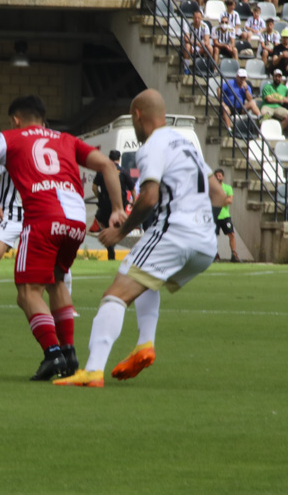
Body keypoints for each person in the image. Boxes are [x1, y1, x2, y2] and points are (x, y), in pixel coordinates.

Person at [0, 95, 126, 381]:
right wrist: (117, 209)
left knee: (27, 292)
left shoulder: (10, 137)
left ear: (16, 119)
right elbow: (108, 167)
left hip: (43, 218)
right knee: (56, 280)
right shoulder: (66, 139)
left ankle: (52, 354)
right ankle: (69, 353)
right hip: (75, 220)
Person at [53, 89, 226, 388]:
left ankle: (93, 370)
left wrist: (120, 231)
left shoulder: (151, 146)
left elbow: (148, 197)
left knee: (114, 296)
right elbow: (220, 195)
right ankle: (144, 343)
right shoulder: (187, 145)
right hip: (206, 244)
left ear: (137, 115)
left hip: (174, 234)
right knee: (147, 280)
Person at [91, 150, 134, 262]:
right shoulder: (123, 171)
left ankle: (110, 246)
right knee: (115, 225)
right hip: (119, 204)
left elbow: (94, 188)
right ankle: (112, 242)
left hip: (105, 203)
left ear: (109, 158)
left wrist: (100, 197)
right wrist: (133, 201)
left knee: (102, 221)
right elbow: (132, 189)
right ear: (119, 159)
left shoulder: (102, 171)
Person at [212, 169, 238, 263]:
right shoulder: (212, 188)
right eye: (216, 176)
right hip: (214, 216)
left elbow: (230, 201)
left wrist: (217, 199)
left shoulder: (227, 188)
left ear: (223, 177)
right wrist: (224, 199)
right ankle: (214, 254)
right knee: (213, 236)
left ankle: (234, 254)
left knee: (231, 234)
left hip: (225, 216)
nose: (218, 177)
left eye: (219, 176)